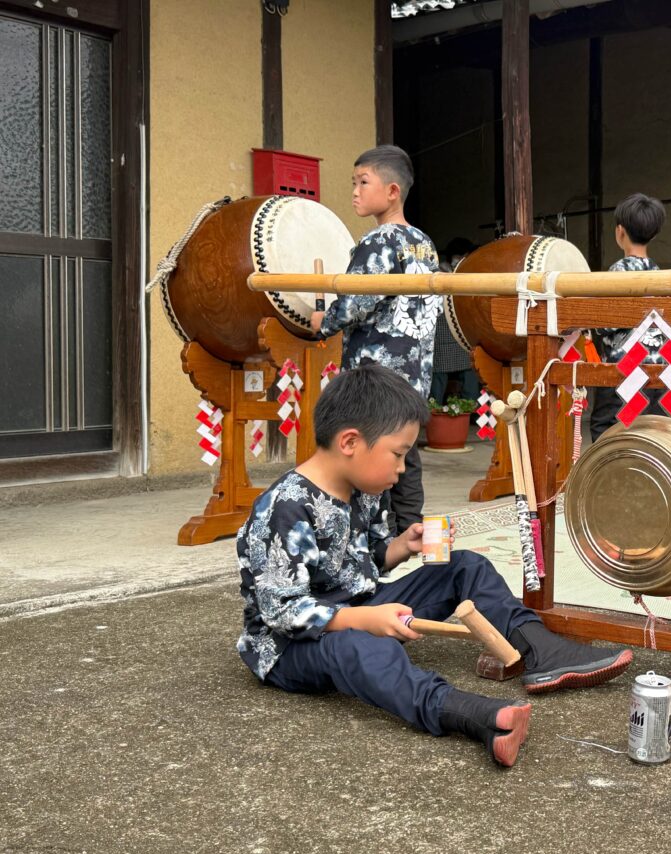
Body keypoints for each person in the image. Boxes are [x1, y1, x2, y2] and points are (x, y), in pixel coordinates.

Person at [236, 365, 634, 767]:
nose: (402, 468)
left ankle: (542, 652)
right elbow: (282, 611)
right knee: (361, 647)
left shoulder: (364, 489)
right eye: (398, 453)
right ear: (350, 442)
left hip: (362, 608)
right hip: (290, 647)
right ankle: (468, 713)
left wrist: (401, 547)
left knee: (464, 567)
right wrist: (365, 620)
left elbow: (366, 560)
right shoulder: (285, 507)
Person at [309, 145, 439, 535]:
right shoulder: (425, 244)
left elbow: (355, 303)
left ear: (393, 190)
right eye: (353, 182)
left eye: (363, 182)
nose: (355, 191)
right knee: (405, 451)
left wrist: (322, 321)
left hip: (378, 373)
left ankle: (373, 534)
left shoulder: (379, 241)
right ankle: (411, 529)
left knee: (371, 451)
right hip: (415, 370)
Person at [589, 193, 667, 441]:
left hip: (621, 369)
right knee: (648, 430)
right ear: (653, 234)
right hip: (658, 366)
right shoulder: (660, 274)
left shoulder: (616, 273)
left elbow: (603, 325)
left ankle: (607, 478)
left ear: (619, 232)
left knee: (607, 428)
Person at [430, 238, 480, 405]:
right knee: (439, 374)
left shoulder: (467, 272)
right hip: (442, 330)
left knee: (469, 371)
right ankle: (433, 411)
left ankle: (470, 410)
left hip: (461, 331)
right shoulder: (437, 273)